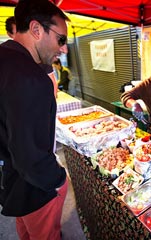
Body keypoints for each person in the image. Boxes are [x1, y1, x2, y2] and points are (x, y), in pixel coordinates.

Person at [0, 1, 70, 239]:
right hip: (34, 188)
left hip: (10, 178)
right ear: (37, 29)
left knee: (26, 231)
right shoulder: (31, 78)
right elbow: (31, 156)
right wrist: (59, 180)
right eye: (61, 39)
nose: (64, 49)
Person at [5, 15, 59, 98]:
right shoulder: (5, 55)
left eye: (24, 31)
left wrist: (52, 104)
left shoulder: (40, 53)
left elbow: (52, 82)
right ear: (9, 34)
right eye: (18, 33)